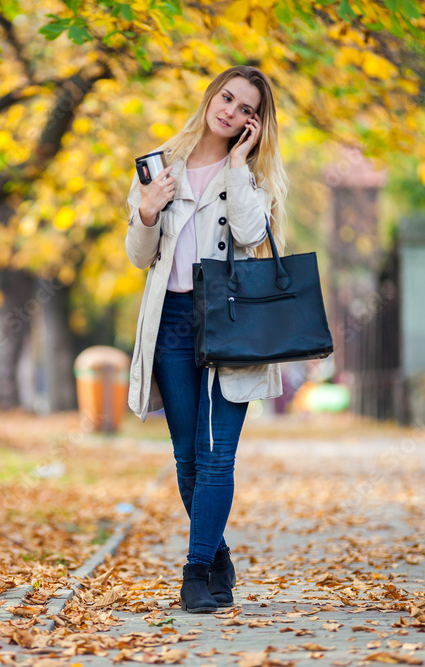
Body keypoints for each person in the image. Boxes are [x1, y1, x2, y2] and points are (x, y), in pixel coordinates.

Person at [124, 66, 288, 613]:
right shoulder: (160, 165)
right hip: (170, 320)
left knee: (217, 455)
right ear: (211, 96)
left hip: (230, 321)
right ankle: (216, 555)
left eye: (247, 110)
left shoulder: (256, 177)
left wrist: (239, 167)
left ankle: (195, 572)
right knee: (187, 457)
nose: (232, 111)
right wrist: (148, 209)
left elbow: (248, 235)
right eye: (228, 98)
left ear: (255, 125)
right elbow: (139, 256)